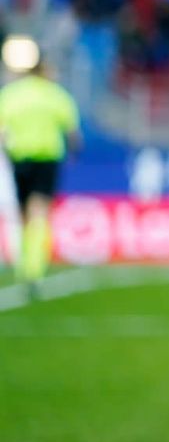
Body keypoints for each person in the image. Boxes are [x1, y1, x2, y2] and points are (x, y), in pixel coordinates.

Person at [0, 54, 82, 292]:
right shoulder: (55, 95)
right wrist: (75, 153)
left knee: (24, 213)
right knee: (40, 211)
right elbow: (72, 132)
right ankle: (34, 268)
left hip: (19, 159)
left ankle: (22, 262)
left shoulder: (11, 94)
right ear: (44, 72)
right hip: (47, 158)